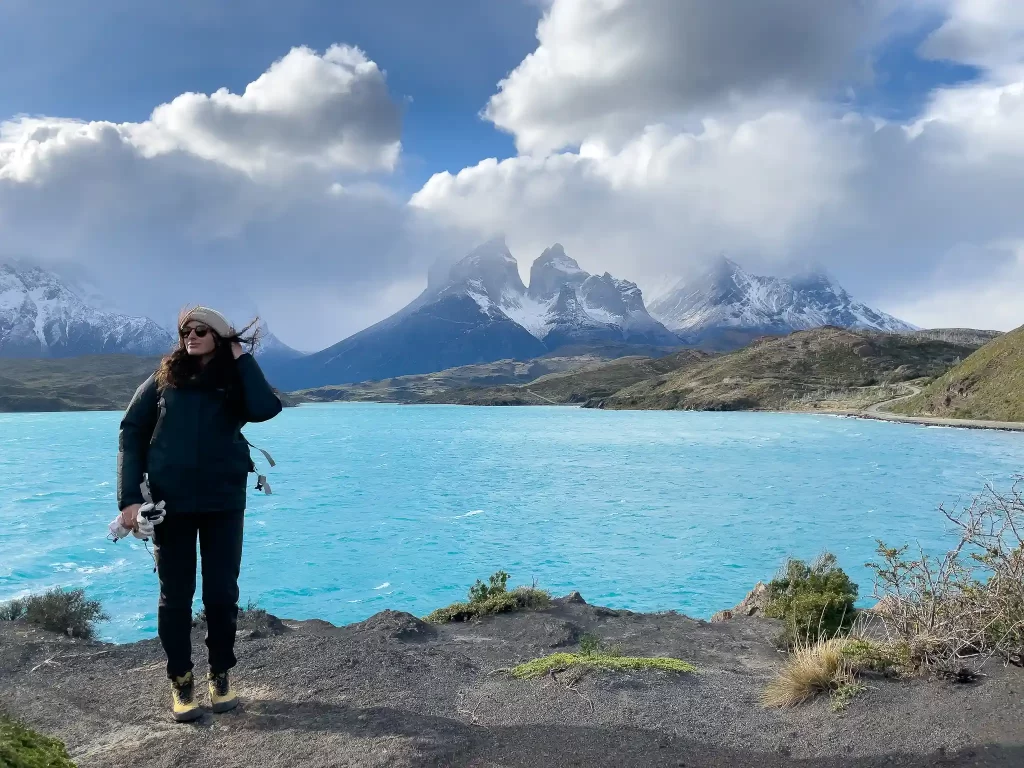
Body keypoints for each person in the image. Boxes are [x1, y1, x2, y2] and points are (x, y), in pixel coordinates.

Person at [116, 306, 282, 722]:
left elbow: (266, 408)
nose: (190, 336)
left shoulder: (234, 378)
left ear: (221, 336)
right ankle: (181, 681)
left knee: (222, 592)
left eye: (201, 330)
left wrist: (242, 357)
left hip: (224, 500)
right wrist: (129, 500)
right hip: (170, 504)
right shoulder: (162, 379)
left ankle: (221, 674)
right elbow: (131, 432)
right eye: (185, 330)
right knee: (175, 596)